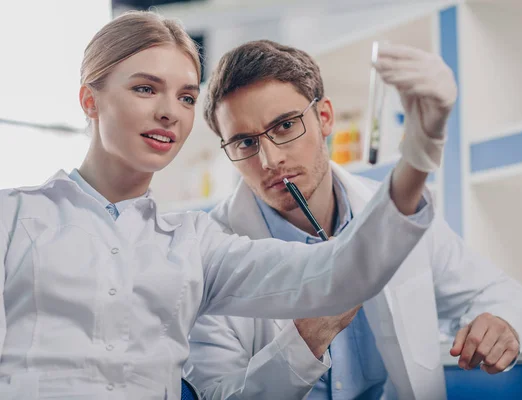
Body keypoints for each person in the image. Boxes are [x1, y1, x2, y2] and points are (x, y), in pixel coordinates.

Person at [0, 12, 447, 400]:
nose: (170, 112)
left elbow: (340, 271)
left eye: (187, 97)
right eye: (145, 88)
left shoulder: (196, 245)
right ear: (89, 100)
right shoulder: (14, 219)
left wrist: (420, 153)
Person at [184, 40, 522, 399]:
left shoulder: (389, 213)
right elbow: (216, 395)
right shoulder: (210, 253)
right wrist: (303, 343)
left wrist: (502, 321)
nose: (270, 160)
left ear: (324, 118)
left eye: (286, 126)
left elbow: (499, 293)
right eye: (244, 143)